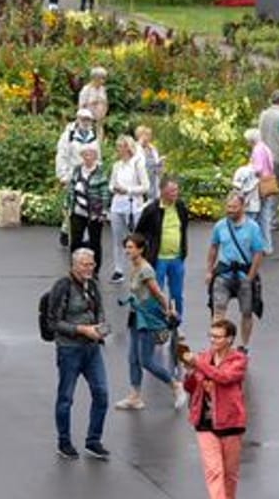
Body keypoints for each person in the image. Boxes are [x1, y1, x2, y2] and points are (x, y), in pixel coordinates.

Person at [46, 248, 110, 461]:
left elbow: (99, 309)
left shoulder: (92, 285)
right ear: (73, 265)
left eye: (91, 264)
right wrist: (81, 330)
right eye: (84, 264)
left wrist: (100, 327)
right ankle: (64, 442)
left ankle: (93, 440)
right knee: (66, 397)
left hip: (92, 348)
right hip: (69, 349)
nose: (88, 268)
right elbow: (53, 321)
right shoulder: (62, 286)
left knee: (101, 393)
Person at [114, 234, 185, 412]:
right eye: (126, 247)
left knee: (146, 360)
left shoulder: (146, 270)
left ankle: (175, 385)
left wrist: (168, 311)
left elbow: (158, 293)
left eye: (131, 247)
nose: (127, 251)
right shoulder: (134, 266)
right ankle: (135, 396)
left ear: (140, 249)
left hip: (147, 318)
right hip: (135, 315)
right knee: (132, 358)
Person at [180, 319, 248, 499]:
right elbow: (189, 387)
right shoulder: (203, 357)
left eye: (217, 337)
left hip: (231, 422)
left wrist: (198, 364)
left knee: (230, 474)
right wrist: (189, 372)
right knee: (214, 472)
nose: (212, 340)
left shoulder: (238, 359)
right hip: (205, 422)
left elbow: (224, 377)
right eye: (211, 336)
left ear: (230, 339)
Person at [206, 193, 265, 352]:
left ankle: (244, 346)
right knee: (218, 311)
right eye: (228, 207)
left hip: (244, 275)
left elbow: (258, 253)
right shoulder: (220, 225)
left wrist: (251, 277)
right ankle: (217, 345)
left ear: (243, 207)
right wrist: (209, 271)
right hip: (223, 274)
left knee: (246, 312)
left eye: (234, 207)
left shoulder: (253, 228)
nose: (230, 210)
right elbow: (213, 248)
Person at [135, 178, 191, 318]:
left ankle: (176, 322)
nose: (175, 193)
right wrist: (142, 255)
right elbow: (139, 232)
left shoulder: (180, 206)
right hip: (158, 258)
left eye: (176, 190)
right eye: (171, 190)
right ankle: (157, 324)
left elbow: (184, 227)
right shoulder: (152, 209)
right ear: (162, 191)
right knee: (156, 293)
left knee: (177, 294)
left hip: (176, 258)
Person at [109, 135, 150, 282]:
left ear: (127, 148)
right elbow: (111, 183)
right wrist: (114, 189)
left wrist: (127, 190)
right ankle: (118, 269)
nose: (118, 149)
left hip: (133, 206)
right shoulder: (117, 165)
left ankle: (139, 267)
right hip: (117, 205)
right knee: (118, 238)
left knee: (135, 239)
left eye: (120, 146)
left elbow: (146, 186)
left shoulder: (137, 163)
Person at [66, 144, 110, 274]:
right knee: (75, 241)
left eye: (90, 154)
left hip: (95, 213)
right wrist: (68, 206)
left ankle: (94, 270)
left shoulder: (100, 172)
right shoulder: (77, 170)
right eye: (85, 154)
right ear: (82, 156)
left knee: (95, 242)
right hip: (78, 211)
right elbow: (71, 189)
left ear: (95, 156)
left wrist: (103, 212)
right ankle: (75, 267)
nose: (88, 157)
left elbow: (105, 193)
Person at [233, 128, 277, 254]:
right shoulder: (265, 147)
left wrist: (246, 169)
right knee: (265, 216)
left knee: (255, 216)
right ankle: (267, 246)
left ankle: (254, 246)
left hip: (259, 186)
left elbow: (258, 168)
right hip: (269, 182)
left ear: (251, 140)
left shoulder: (257, 150)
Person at [55, 109, 101, 187]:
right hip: (72, 176)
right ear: (78, 120)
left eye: (88, 120)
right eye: (83, 119)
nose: (86, 122)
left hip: (90, 178)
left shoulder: (94, 137)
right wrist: (62, 176)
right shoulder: (68, 136)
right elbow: (62, 156)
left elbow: (98, 157)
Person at [78, 68, 109, 138]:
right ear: (95, 78)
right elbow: (81, 106)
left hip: (99, 121)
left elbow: (105, 102)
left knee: (99, 137)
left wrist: (104, 112)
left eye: (104, 78)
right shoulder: (86, 90)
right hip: (88, 120)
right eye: (101, 78)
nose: (103, 81)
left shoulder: (102, 89)